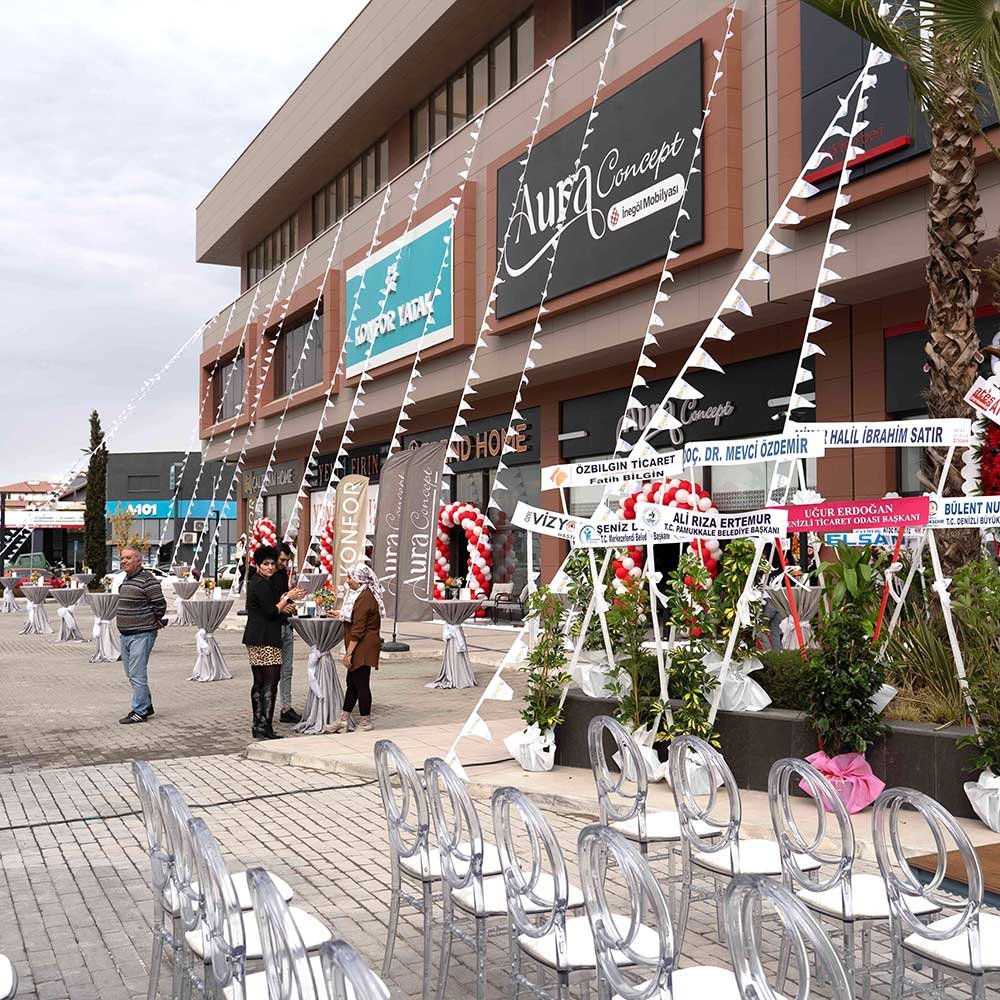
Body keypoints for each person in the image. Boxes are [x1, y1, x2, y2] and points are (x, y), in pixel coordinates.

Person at [242, 545, 301, 739]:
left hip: (256, 636)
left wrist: (283, 604)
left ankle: (259, 724)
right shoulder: (261, 583)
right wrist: (287, 598)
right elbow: (271, 611)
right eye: (265, 564)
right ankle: (264, 725)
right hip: (265, 638)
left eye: (272, 564)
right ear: (258, 565)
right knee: (270, 681)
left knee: (260, 682)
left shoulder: (258, 582)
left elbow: (268, 609)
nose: (269, 567)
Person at [326, 563, 383, 733]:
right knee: (352, 683)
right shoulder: (360, 594)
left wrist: (348, 653)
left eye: (350, 577)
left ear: (359, 579)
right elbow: (355, 615)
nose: (347, 580)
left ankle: (365, 721)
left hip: (364, 646)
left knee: (361, 683)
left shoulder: (365, 598)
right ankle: (343, 720)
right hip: (361, 644)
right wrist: (340, 614)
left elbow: (358, 629)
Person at [115, 547, 167, 725]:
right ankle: (147, 705)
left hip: (142, 634)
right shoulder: (126, 579)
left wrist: (152, 621)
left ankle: (140, 711)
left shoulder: (148, 580)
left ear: (139, 560)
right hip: (126, 634)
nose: (124, 561)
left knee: (137, 674)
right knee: (131, 674)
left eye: (128, 558)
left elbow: (160, 605)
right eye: (122, 558)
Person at [274, 541, 302, 724]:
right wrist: (283, 603)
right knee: (271, 674)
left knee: (287, 670)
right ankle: (266, 710)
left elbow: (284, 598)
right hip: (273, 629)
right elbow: (268, 605)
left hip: (286, 625)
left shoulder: (283, 574)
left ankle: (286, 707)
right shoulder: (266, 576)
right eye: (282, 560)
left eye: (287, 561)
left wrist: (290, 605)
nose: (284, 564)